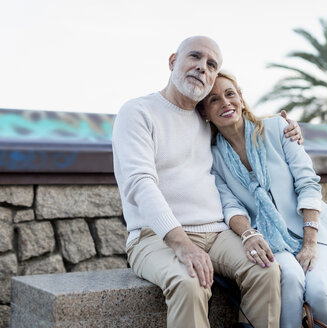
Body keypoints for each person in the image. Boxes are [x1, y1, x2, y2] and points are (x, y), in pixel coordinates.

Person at [112, 36, 303, 328]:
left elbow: (244, 124)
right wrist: (182, 244)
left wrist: (287, 128)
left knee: (266, 269)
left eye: (211, 64)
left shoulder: (206, 120)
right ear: (173, 61)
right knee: (191, 282)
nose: (203, 67)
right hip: (154, 237)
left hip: (216, 233)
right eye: (195, 57)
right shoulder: (137, 112)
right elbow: (140, 184)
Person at [197, 71, 327, 328]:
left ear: (241, 99)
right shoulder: (213, 158)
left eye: (230, 94)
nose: (225, 103)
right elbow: (230, 205)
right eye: (213, 100)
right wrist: (248, 235)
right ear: (205, 113)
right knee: (289, 278)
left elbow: (307, 183)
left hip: (311, 231)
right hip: (270, 237)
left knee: (319, 290)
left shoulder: (279, 128)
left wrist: (310, 242)